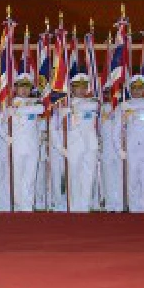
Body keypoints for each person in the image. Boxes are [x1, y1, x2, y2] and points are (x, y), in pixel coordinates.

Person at [56, 73, 101, 213]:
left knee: (89, 176)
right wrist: (60, 147)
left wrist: (72, 109)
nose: (81, 90)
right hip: (73, 145)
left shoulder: (91, 101)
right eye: (77, 87)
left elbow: (94, 107)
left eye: (84, 87)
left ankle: (85, 207)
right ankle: (74, 208)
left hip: (90, 145)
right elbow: (55, 127)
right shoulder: (63, 104)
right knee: (73, 177)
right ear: (72, 88)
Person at [0, 74, 43, 211]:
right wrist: (6, 137)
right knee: (17, 176)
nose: (24, 90)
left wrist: (18, 110)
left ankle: (28, 205)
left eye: (27, 87)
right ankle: (18, 205)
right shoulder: (8, 103)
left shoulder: (35, 102)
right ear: (16, 88)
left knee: (30, 177)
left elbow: (40, 109)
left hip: (32, 145)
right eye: (21, 87)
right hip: (17, 144)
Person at [117, 76, 144, 213]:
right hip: (132, 147)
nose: (137, 91)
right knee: (133, 180)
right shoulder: (123, 106)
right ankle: (134, 209)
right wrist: (119, 149)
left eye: (140, 87)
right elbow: (116, 129)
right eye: (134, 88)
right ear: (130, 89)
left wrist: (131, 107)